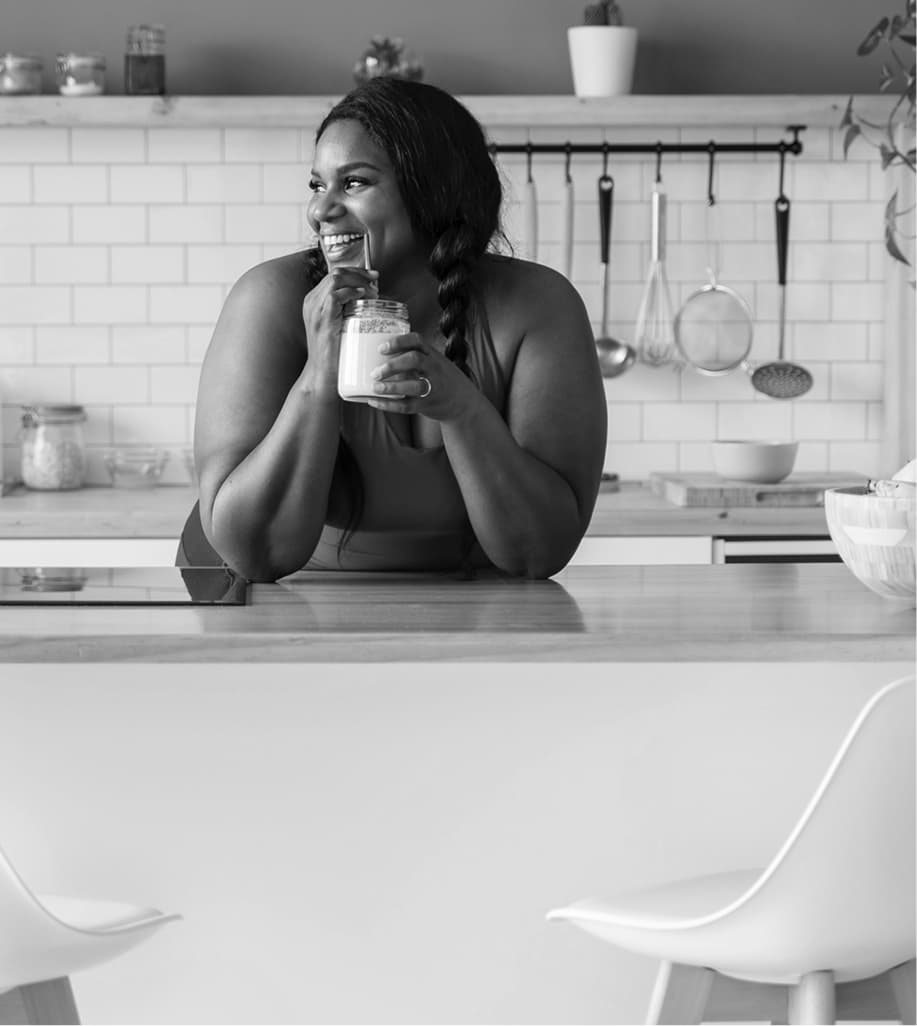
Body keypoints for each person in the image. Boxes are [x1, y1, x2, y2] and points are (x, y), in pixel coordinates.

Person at [177, 77, 607, 581]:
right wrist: (319, 377)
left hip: (482, 613)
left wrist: (462, 408)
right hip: (292, 604)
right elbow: (255, 556)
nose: (320, 211)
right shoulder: (270, 299)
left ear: (432, 190)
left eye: (354, 182)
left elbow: (538, 554)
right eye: (317, 184)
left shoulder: (539, 306)